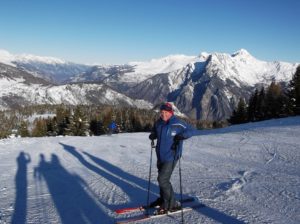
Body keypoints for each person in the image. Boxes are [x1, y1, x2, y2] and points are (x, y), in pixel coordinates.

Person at [149, 102, 194, 214]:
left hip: (172, 156)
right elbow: (155, 130)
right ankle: (163, 199)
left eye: (166, 112)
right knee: (161, 178)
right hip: (160, 155)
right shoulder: (158, 123)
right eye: (162, 112)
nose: (163, 114)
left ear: (171, 112)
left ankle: (172, 203)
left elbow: (191, 130)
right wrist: (153, 134)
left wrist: (183, 136)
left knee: (162, 179)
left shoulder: (178, 123)